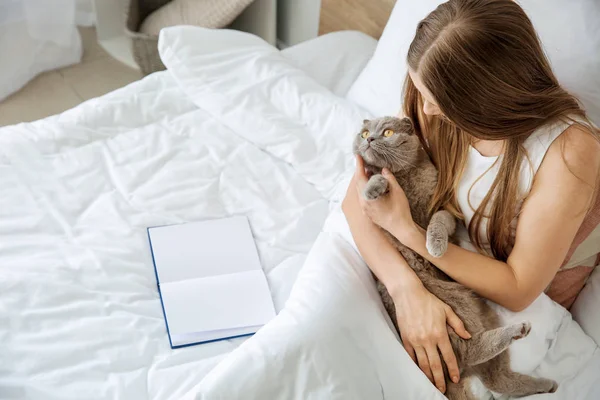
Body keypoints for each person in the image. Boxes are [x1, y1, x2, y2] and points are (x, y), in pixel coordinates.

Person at [342, 0, 600, 394]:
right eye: (421, 91)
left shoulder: (568, 150)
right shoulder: (432, 97)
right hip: (412, 275)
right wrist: (406, 290)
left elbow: (518, 288)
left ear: (483, 97)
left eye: (436, 99)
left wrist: (408, 233)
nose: (424, 109)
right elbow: (355, 201)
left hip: (491, 301)